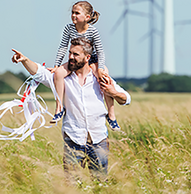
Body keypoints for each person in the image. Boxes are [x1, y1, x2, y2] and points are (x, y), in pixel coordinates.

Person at [11, 37, 131, 181]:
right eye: (70, 53)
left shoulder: (99, 77)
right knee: (71, 185)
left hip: (99, 140)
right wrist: (24, 60)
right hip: (73, 140)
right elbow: (40, 73)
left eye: (75, 54)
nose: (71, 57)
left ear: (87, 57)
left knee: (101, 184)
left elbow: (126, 99)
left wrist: (114, 93)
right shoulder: (61, 79)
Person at [49, 1, 121, 132]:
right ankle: (59, 107)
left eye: (77, 13)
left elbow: (100, 51)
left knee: (104, 76)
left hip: (91, 60)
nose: (73, 15)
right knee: (58, 73)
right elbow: (63, 47)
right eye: (72, 13)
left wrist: (100, 68)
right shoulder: (68, 28)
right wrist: (56, 65)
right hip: (75, 59)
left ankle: (111, 114)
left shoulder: (93, 31)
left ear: (87, 17)